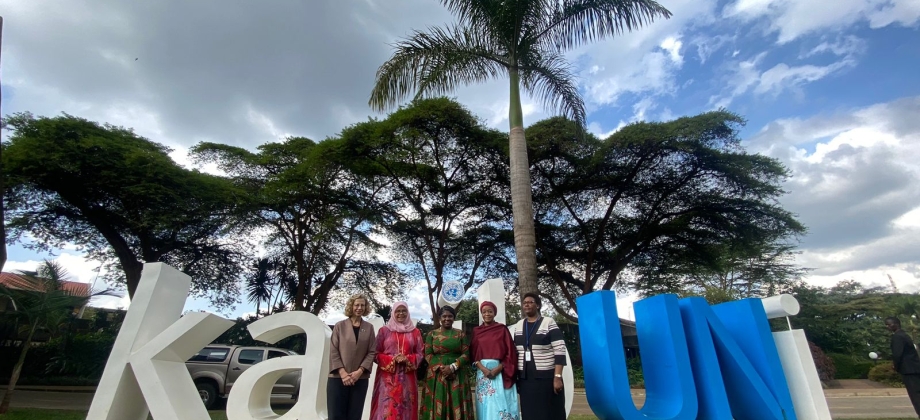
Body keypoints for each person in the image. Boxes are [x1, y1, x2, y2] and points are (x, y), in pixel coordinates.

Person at [513, 292, 567, 420]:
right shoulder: (519, 325)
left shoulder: (548, 322)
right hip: (526, 380)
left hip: (547, 379)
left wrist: (557, 377)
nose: (527, 305)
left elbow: (559, 349)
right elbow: (515, 350)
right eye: (524, 303)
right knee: (530, 413)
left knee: (550, 412)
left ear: (537, 305)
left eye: (530, 302)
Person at [370, 302, 424, 420]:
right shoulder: (384, 331)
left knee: (407, 407)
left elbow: (420, 353)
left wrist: (407, 359)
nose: (401, 313)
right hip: (387, 379)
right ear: (393, 313)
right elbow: (375, 353)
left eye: (403, 311)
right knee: (387, 409)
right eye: (397, 311)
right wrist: (392, 359)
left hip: (407, 378)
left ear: (408, 312)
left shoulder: (415, 332)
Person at [328, 294, 377, 420]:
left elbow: (372, 352)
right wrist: (343, 373)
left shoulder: (369, 328)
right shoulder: (339, 326)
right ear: (351, 306)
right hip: (338, 378)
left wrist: (359, 372)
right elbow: (334, 350)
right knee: (336, 415)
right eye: (357, 305)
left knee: (355, 415)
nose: (359, 308)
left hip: (359, 379)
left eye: (362, 305)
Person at [420, 305, 473, 420]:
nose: (447, 319)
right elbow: (428, 354)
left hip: (457, 374)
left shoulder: (460, 334)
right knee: (439, 401)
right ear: (440, 318)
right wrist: (442, 368)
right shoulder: (432, 334)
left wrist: (453, 367)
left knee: (456, 401)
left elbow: (466, 354)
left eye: (450, 316)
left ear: (454, 318)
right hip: (436, 375)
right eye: (444, 316)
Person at [470, 301, 519, 420]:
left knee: (500, 406)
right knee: (486, 407)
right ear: (481, 314)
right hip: (483, 373)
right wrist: (483, 369)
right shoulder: (477, 331)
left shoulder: (502, 329)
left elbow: (510, 352)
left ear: (494, 313)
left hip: (501, 373)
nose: (487, 314)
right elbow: (473, 353)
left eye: (490, 311)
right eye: (484, 312)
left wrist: (499, 368)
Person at [886, 316, 920, 416]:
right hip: (915, 368)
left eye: (889, 324)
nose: (887, 327)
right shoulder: (904, 335)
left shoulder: (897, 337)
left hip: (908, 370)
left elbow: (897, 354)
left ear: (896, 324)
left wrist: (895, 366)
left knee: (915, 395)